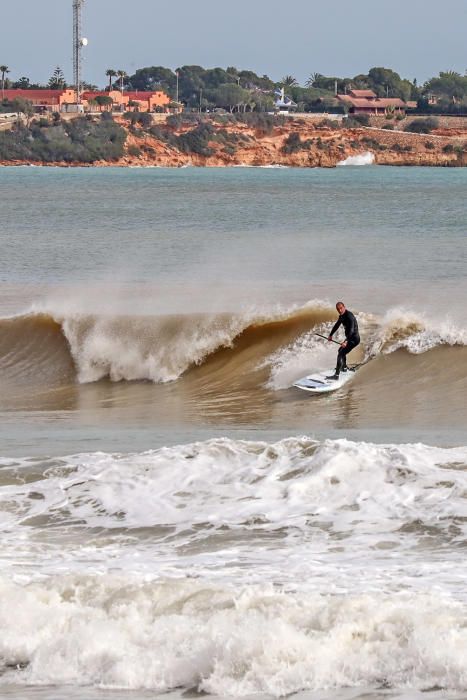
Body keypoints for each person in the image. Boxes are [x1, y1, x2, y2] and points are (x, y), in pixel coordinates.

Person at [327, 301, 360, 380]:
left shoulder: (349, 316)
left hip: (354, 339)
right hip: (349, 339)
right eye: (338, 309)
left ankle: (336, 375)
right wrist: (330, 335)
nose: (340, 310)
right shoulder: (341, 316)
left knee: (341, 353)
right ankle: (344, 368)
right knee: (340, 351)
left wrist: (346, 341)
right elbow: (336, 325)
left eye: (341, 308)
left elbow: (351, 330)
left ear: (344, 307)